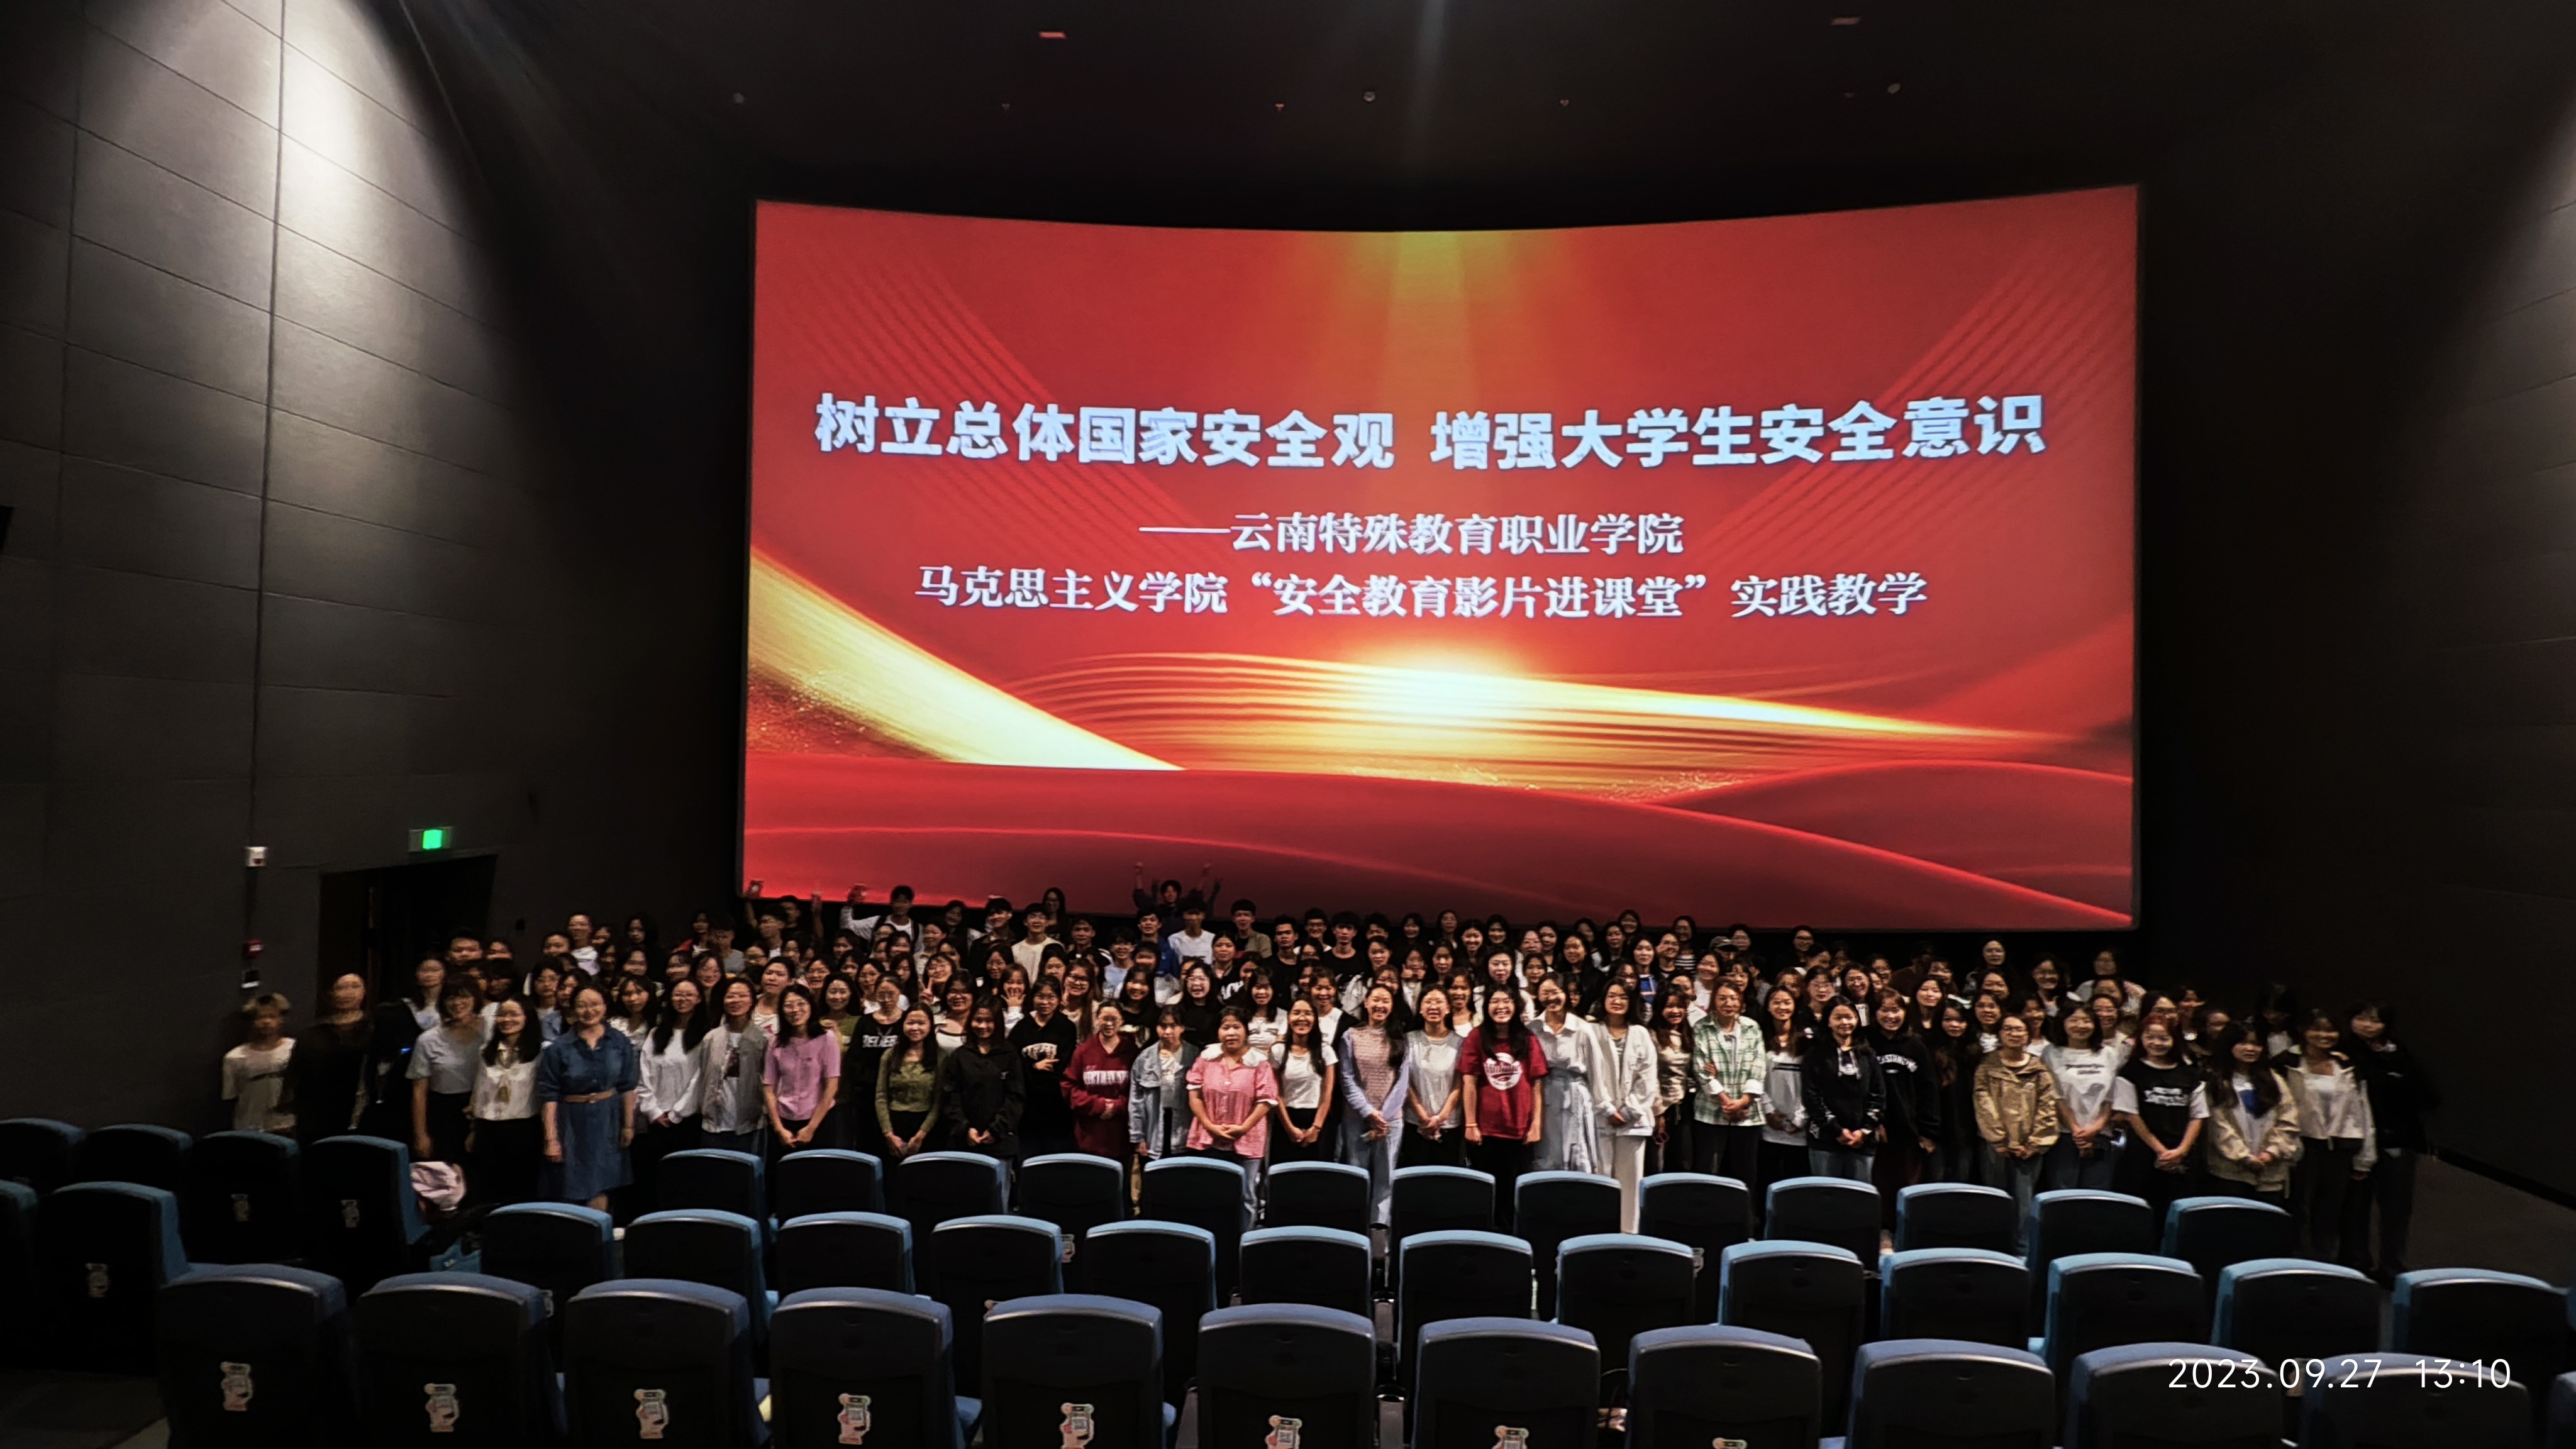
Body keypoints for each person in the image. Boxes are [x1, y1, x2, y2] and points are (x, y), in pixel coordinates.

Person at [2342, 1001, 2435, 1284]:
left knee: (2396, 1209)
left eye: (2375, 1020)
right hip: (2356, 1142)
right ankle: (2355, 1264)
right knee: (2355, 1207)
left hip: (2397, 1140)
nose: (2367, 1025)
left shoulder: (2400, 1053)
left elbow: (2429, 1096)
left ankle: (2392, 1267)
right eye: (2361, 1018)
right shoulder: (2343, 1051)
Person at [2278, 1010, 2374, 1265]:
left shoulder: (2347, 1066)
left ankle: (2323, 1265)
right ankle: (2293, 1264)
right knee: (2298, 1208)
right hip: (2302, 1146)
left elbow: (2361, 1110)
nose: (2324, 1035)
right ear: (2304, 1031)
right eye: (2317, 1029)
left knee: (2330, 1212)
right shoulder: (2287, 1063)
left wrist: (2365, 1157)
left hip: (2340, 1148)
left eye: (2331, 1030)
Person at [537, 982, 639, 1211]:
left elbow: (627, 1086)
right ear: (573, 1009)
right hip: (572, 1122)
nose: (589, 1011)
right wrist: (551, 1139)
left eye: (595, 1004)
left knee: (604, 1183)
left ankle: (599, 1228)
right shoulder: (559, 1048)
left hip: (609, 1119)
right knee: (570, 1184)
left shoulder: (619, 1042)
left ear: (605, 1006)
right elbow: (549, 1096)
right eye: (582, 1005)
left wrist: (628, 1126)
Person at [1458, 989, 1546, 1231]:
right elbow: (1469, 1081)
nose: (1501, 1006)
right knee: (1484, 1196)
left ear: (1516, 1006)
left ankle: (1510, 1244)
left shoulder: (1528, 1039)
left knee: (1512, 1198)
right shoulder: (1477, 1037)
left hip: (1519, 1132)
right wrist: (1471, 1124)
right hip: (1485, 1132)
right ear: (1486, 1007)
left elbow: (1537, 1085)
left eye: (1507, 1001)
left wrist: (1536, 1125)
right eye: (1495, 1001)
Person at [1973, 1014, 2058, 1246]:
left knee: (2025, 1201)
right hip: (1995, 1146)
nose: (2014, 1034)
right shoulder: (1987, 1066)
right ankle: (1993, 1247)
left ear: (2029, 1035)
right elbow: (1983, 1103)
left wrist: (2034, 1144)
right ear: (2000, 1034)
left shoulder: (2039, 1069)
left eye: (2020, 1030)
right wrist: (1999, 1140)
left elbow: (2047, 1106)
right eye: (2008, 1029)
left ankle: (2022, 1249)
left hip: (2029, 1147)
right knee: (1995, 1198)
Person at [2112, 1019, 2207, 1220]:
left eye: (2164, 1038)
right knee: (2139, 1214)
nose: (2156, 1043)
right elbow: (2132, 1115)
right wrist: (2161, 1151)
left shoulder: (2189, 1074)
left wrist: (2181, 1151)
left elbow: (2198, 1116)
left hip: (2181, 1153)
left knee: (2176, 1213)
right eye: (2150, 1037)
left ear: (2174, 1040)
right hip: (2142, 1153)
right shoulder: (2131, 1072)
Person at [1188, 1009, 1280, 1216]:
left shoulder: (1259, 1062)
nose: (1231, 1033)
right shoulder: (1206, 1058)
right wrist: (1209, 1125)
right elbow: (1195, 1096)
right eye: (1225, 1027)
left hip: (1247, 1140)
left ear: (1246, 1030)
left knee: (1246, 1196)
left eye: (1236, 1027)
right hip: (1210, 1138)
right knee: (1212, 1194)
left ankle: (1245, 1235)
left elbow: (1266, 1101)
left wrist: (1243, 1128)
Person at [2204, 1023, 2301, 1205]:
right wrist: (2244, 1156)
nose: (2250, 1049)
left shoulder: (2274, 1079)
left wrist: (2271, 1153)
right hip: (2229, 1172)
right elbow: (2218, 1126)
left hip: (2271, 1171)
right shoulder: (2216, 1081)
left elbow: (2288, 1119)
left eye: (2256, 1044)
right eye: (2243, 1043)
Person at [1338, 984, 1411, 1226]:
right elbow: (1347, 1079)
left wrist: (1384, 1117)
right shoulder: (1351, 1036)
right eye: (1376, 1000)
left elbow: (1402, 1082)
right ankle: (1355, 1229)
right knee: (1357, 1175)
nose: (1380, 1005)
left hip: (1391, 1122)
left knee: (1385, 1179)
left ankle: (1379, 1233)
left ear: (1392, 1006)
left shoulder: (1401, 1038)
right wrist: (1369, 1112)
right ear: (1366, 1003)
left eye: (1385, 1001)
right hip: (1356, 1118)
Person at [1867, 990, 1940, 1226]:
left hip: (1910, 1132)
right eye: (1885, 1010)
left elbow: (1929, 1089)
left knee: (1908, 1190)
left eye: (1896, 1010)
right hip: (1877, 1132)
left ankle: (1906, 1234)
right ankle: (1883, 1233)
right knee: (1879, 1189)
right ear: (1874, 1013)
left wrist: (1928, 1131)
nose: (1891, 1016)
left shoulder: (1916, 1045)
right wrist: (1872, 1123)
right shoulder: (1866, 1043)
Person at [633, 978, 706, 1206]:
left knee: (684, 1181)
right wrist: (654, 1111)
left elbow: (699, 1079)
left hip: (687, 1120)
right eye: (678, 994)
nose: (683, 999)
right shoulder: (656, 1034)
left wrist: (676, 1113)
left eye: (689, 995)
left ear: (699, 999)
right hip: (656, 1120)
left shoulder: (705, 1036)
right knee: (654, 1181)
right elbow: (644, 1074)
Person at [1594, 980, 1659, 1232]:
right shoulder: (1592, 1031)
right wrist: (1608, 1109)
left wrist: (1629, 1110)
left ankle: (1628, 1234)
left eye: (1623, 997)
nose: (1617, 1001)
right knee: (1600, 1179)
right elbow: (1590, 1076)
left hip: (1634, 1121)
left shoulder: (1641, 1033)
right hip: (1601, 1118)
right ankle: (1599, 1233)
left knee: (1631, 1183)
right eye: (1612, 996)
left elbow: (1648, 1077)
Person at [1689, 982, 1767, 1187]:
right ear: (1714, 1000)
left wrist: (1743, 1101)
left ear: (1741, 1002)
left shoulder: (1752, 1027)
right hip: (1711, 1112)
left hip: (1747, 1113)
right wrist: (1726, 1101)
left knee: (1745, 1176)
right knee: (1707, 1175)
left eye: (1733, 998)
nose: (1728, 1003)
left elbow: (1758, 1065)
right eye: (1722, 998)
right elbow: (1701, 1068)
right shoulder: (1702, 1027)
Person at [467, 997, 543, 1206]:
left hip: (524, 1127)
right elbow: (479, 1092)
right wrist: (473, 1130)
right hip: (488, 1127)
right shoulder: (486, 1051)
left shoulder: (541, 1052)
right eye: (502, 1015)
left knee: (521, 1188)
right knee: (487, 1189)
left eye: (513, 1014)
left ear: (527, 1018)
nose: (506, 1019)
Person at [2041, 1001, 2126, 1190]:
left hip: (2101, 1135)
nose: (2080, 1026)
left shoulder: (2108, 1054)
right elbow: (2055, 1096)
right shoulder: (2051, 1053)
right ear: (2063, 1023)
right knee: (2062, 1193)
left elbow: (2111, 1097)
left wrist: (2095, 1129)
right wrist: (2076, 1130)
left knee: (2095, 1195)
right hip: (2063, 1135)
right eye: (2074, 1020)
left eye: (2087, 1021)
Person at [1801, 1001, 1882, 1182]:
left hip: (1862, 1140)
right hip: (1825, 1140)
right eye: (1838, 1018)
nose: (1844, 1022)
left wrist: (1865, 1130)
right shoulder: (1815, 1054)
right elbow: (1811, 1096)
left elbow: (1878, 1094)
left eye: (1849, 1017)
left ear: (1857, 1020)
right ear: (1828, 1021)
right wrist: (1836, 1130)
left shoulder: (1868, 1054)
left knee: (1860, 1195)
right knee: (1827, 1194)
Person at [763, 984, 843, 1169]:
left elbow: (832, 1086)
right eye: (788, 1005)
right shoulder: (776, 1042)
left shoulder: (827, 1038)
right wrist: (778, 1128)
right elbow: (768, 1087)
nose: (795, 1010)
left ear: (811, 1006)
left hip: (819, 1120)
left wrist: (811, 1128)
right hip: (784, 1121)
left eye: (801, 1004)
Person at [286, 974, 370, 1146]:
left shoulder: (374, 1029)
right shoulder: (312, 1033)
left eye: (354, 987)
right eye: (341, 988)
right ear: (332, 994)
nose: (347, 993)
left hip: (360, 1114)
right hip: (315, 1116)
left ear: (364, 993)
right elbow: (295, 1074)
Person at [409, 981, 487, 1168]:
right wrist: (421, 1135)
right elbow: (419, 1091)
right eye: (451, 997)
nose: (457, 1003)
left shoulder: (490, 1032)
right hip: (444, 1114)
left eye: (464, 996)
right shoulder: (428, 1039)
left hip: (483, 1112)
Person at [1531, 977, 1603, 1176]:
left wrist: (1602, 1106)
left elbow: (1596, 1071)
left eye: (1555, 992)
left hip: (1575, 1094)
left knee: (1576, 1152)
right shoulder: (1533, 1028)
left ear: (1566, 994)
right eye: (1545, 993)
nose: (1551, 998)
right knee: (1547, 1151)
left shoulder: (1583, 1028)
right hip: (1544, 1094)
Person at [937, 999, 1024, 1162]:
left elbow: (1015, 1097)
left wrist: (996, 1130)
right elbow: (951, 1096)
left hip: (1001, 1142)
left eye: (989, 1021)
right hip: (964, 1142)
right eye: (978, 1020)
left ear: (998, 1023)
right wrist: (965, 1129)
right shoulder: (960, 1056)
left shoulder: (1010, 1054)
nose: (983, 1026)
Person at [697, 978, 772, 1154]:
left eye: (742, 996)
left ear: (752, 1000)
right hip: (714, 1124)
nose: (736, 1001)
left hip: (750, 1125)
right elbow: (701, 1076)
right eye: (730, 996)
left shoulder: (764, 1039)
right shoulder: (711, 1038)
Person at [1009, 977, 1080, 1158]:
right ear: (1033, 998)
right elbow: (1013, 1063)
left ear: (1059, 999)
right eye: (1041, 996)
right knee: (1028, 1162)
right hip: (1028, 1107)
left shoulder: (1066, 1027)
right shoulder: (1021, 1028)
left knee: (1056, 1162)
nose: (1045, 1002)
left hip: (1057, 1107)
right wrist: (1034, 1067)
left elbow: (1063, 1066)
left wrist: (1035, 1071)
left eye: (1051, 997)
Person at [1756, 985, 1811, 1216]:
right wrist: (1769, 1110)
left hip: (1799, 1127)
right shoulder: (1759, 1039)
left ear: (1795, 1006)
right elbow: (1755, 1078)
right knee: (1767, 1182)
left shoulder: (1807, 1041)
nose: (1782, 1007)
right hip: (1768, 1124)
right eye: (1776, 1002)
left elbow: (1812, 1084)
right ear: (1768, 1006)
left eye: (1787, 1002)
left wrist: (1800, 1117)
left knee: (1796, 1187)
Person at [1401, 982, 1466, 1169]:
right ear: (1420, 1009)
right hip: (1415, 1122)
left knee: (1445, 1177)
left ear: (1448, 1008)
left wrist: (1439, 1119)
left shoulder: (1460, 1043)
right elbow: (1405, 1082)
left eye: (1439, 1002)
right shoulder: (1409, 1040)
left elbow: (1459, 1085)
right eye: (1428, 1002)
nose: (1433, 1006)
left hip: (1449, 1124)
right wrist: (1423, 1117)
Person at [1064, 999, 1136, 1160]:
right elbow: (1069, 1088)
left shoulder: (1131, 1052)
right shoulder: (1083, 1051)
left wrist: (1118, 1106)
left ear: (1122, 1021)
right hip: (1088, 1138)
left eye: (1114, 1019)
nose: (1109, 1024)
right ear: (1097, 1019)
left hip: (1121, 1138)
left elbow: (1139, 1092)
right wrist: (1099, 1105)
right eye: (1105, 1019)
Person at [1269, 999, 1336, 1165]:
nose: (1302, 1018)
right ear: (1288, 1018)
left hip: (1317, 1120)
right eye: (1296, 1013)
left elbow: (1327, 1094)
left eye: (1308, 1013)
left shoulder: (1326, 1051)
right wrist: (1290, 1128)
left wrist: (1316, 1128)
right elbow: (1276, 1093)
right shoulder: (1278, 1051)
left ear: (1315, 1019)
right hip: (1286, 1120)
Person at [874, 1008, 942, 1161]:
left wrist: (921, 1135)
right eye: (910, 1023)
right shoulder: (890, 1055)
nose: (915, 1028)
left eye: (921, 1023)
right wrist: (889, 1134)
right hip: (894, 1124)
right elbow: (881, 1096)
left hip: (926, 1126)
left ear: (930, 1026)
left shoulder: (940, 1057)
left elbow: (938, 1101)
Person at [1130, 1006, 1196, 1165]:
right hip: (1153, 1128)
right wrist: (1138, 1137)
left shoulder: (1194, 1055)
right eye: (1163, 1026)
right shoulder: (1144, 1058)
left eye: (1173, 1026)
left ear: (1182, 1028)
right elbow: (1136, 1102)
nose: (1168, 1032)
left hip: (1184, 1129)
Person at [223, 994, 296, 1135]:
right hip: (249, 1126)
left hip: (287, 1125)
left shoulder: (294, 1049)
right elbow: (231, 1095)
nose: (266, 1022)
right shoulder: (235, 1057)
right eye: (260, 1017)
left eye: (272, 1017)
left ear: (281, 1019)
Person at [1928, 1002, 1983, 1184]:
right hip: (1937, 1129)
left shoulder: (1975, 1052)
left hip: (1967, 1129)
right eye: (1948, 1020)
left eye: (1960, 1021)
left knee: (1962, 1182)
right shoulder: (1928, 1050)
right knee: (1936, 1182)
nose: (1954, 1025)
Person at [1650, 989, 1696, 1179]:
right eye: (1669, 1006)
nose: (1675, 1011)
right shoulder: (1652, 1035)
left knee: (1683, 1164)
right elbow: (1650, 1076)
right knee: (1657, 1166)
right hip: (1660, 1108)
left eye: (1679, 1006)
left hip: (1684, 1108)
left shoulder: (1688, 1034)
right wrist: (1658, 1114)